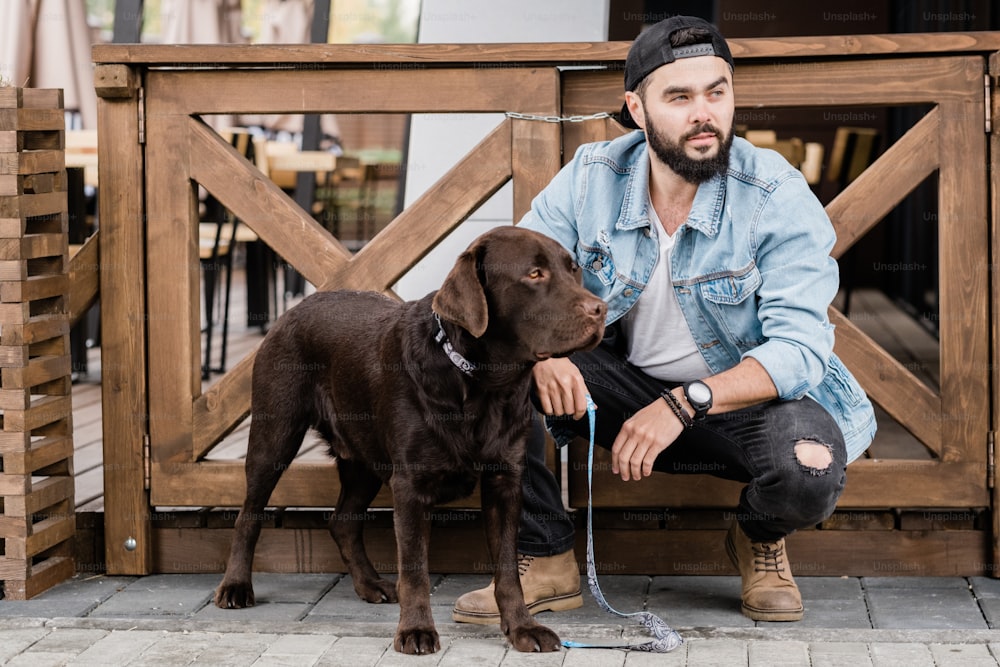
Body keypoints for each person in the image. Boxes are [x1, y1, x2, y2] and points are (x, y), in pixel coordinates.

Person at [451, 15, 877, 624]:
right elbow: (517, 284)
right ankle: (546, 556)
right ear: (637, 107)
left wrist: (685, 403)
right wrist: (543, 357)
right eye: (679, 97)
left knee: (808, 470)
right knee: (492, 370)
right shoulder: (591, 177)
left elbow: (801, 351)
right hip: (621, 391)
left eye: (717, 92)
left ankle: (758, 537)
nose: (703, 113)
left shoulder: (776, 195)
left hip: (747, 405)